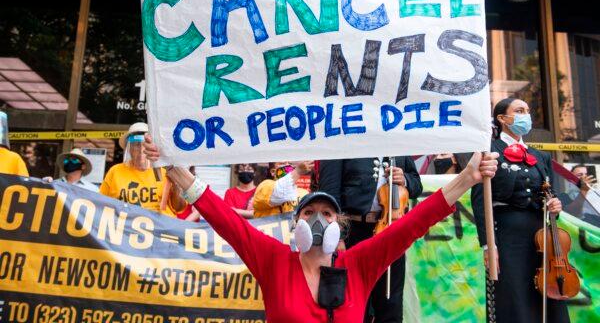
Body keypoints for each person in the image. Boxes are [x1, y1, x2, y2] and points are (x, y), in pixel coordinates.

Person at [143, 134, 498, 323]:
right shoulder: (273, 261)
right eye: (308, 211)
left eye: (327, 214)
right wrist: (172, 166)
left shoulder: (359, 263)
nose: (317, 219)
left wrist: (468, 176)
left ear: (339, 224)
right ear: (296, 222)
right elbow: (225, 219)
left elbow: (414, 224)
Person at [471, 97, 568, 323]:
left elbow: (550, 193)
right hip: (507, 236)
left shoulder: (541, 156)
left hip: (542, 239)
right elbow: (479, 201)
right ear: (502, 118)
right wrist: (488, 244)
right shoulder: (489, 151)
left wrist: (554, 206)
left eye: (527, 110)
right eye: (519, 110)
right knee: (513, 298)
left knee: (547, 298)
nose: (526, 114)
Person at [318, 156, 423, 323]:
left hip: (390, 230)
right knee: (354, 303)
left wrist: (405, 179)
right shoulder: (343, 138)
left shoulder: (398, 140)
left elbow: (417, 184)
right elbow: (329, 193)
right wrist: (338, 236)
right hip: (353, 232)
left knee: (391, 305)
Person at [100, 122, 186, 217]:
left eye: (145, 145)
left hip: (159, 229)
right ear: (129, 149)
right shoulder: (115, 172)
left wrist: (176, 186)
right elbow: (100, 205)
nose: (141, 150)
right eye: (136, 145)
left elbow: (179, 208)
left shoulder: (165, 170)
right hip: (125, 229)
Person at [0, 111, 29, 176]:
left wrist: (44, 183)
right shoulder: (14, 157)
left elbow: (25, 182)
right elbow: (25, 182)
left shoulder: (14, 158)